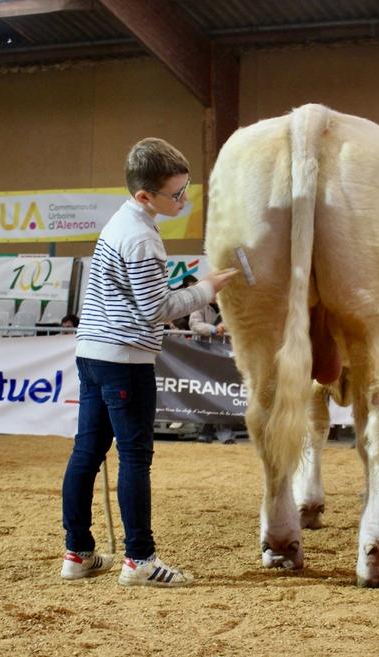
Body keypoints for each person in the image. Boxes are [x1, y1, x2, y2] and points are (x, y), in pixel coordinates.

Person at [61, 137, 238, 587]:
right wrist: (207, 288)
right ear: (145, 195)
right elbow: (155, 308)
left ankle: (78, 552)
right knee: (135, 457)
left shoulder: (122, 222)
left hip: (94, 353)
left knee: (87, 452)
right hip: (124, 359)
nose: (184, 199)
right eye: (176, 193)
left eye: (185, 189)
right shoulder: (142, 237)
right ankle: (139, 559)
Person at [189, 300, 235, 444]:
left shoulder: (231, 304)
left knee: (225, 392)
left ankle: (225, 433)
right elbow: (194, 324)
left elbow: (240, 322)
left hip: (226, 356)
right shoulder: (200, 305)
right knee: (206, 392)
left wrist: (226, 327)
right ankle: (205, 430)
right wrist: (214, 329)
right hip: (205, 355)